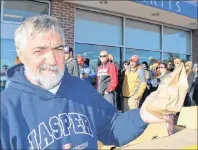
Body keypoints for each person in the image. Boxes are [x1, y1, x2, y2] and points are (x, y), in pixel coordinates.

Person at [1, 15, 170, 150]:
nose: (52, 59)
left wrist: (142, 115)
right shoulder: (6, 109)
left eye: (58, 49)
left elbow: (112, 128)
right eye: (39, 50)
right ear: (21, 55)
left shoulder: (81, 89)